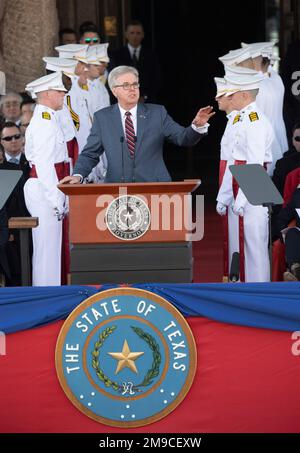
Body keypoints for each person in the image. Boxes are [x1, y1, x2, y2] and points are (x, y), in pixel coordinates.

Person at [60, 65, 214, 185]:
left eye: (135, 84)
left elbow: (183, 138)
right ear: (114, 91)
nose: (132, 89)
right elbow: (90, 154)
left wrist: (197, 126)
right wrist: (78, 175)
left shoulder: (157, 113)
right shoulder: (103, 118)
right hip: (117, 190)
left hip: (154, 187)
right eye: (126, 85)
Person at [216, 73, 274, 282]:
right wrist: (224, 195)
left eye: (233, 93)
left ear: (244, 95)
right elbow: (232, 160)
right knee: (237, 240)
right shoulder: (242, 118)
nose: (230, 98)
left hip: (254, 181)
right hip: (239, 178)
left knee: (254, 240)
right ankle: (240, 284)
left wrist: (242, 197)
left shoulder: (255, 120)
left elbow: (255, 163)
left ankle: (259, 290)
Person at [23, 72, 69, 286]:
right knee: (46, 248)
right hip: (44, 188)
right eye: (60, 91)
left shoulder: (49, 118)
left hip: (51, 186)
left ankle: (51, 291)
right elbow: (44, 165)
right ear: (47, 93)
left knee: (51, 247)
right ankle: (46, 293)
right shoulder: (43, 122)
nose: (63, 95)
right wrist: (55, 199)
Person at [109, 21, 161, 103]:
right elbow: (114, 79)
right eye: (132, 33)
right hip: (123, 100)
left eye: (138, 33)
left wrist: (145, 96)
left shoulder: (151, 56)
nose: (135, 36)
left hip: (146, 101)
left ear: (143, 35)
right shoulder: (116, 55)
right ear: (126, 34)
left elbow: (156, 79)